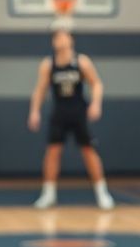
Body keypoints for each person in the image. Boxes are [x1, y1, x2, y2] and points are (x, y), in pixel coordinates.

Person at [28, 28, 115, 210]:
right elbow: (40, 89)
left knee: (88, 150)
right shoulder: (48, 64)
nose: (59, 40)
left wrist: (96, 103)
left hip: (78, 112)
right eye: (56, 37)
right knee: (52, 152)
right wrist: (34, 111)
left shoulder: (81, 61)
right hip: (59, 113)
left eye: (63, 36)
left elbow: (97, 83)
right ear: (53, 42)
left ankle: (102, 193)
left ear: (71, 40)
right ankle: (48, 194)